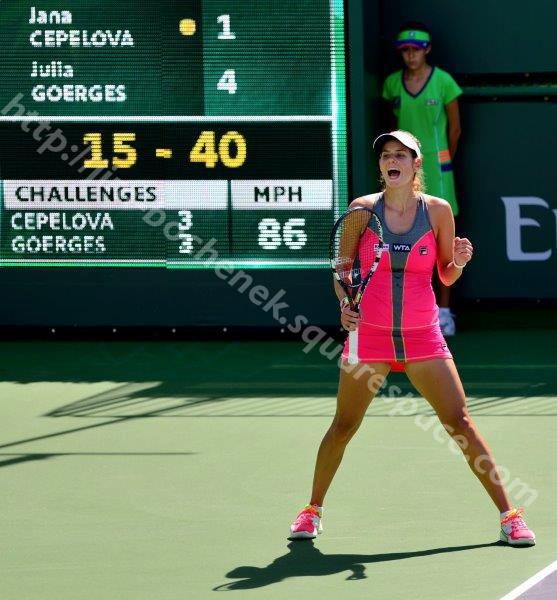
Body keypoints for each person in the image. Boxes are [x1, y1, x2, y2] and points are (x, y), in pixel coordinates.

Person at [288, 131, 535, 547]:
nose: (391, 160)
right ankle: (311, 511)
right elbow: (342, 271)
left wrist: (457, 261)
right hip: (370, 335)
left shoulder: (438, 212)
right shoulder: (361, 211)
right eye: (385, 155)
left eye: (400, 154)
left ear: (416, 164)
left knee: (460, 423)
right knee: (344, 425)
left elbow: (445, 274)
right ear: (381, 166)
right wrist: (345, 304)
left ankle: (509, 517)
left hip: (423, 336)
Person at [382, 22, 461, 336]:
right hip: (404, 175)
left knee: (443, 244)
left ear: (427, 50)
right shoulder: (391, 85)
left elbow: (455, 129)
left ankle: (445, 313)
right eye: (405, 51)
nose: (410, 56)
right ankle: (413, 313)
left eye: (416, 50)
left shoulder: (444, 82)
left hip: (438, 176)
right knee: (404, 241)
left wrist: (443, 162)